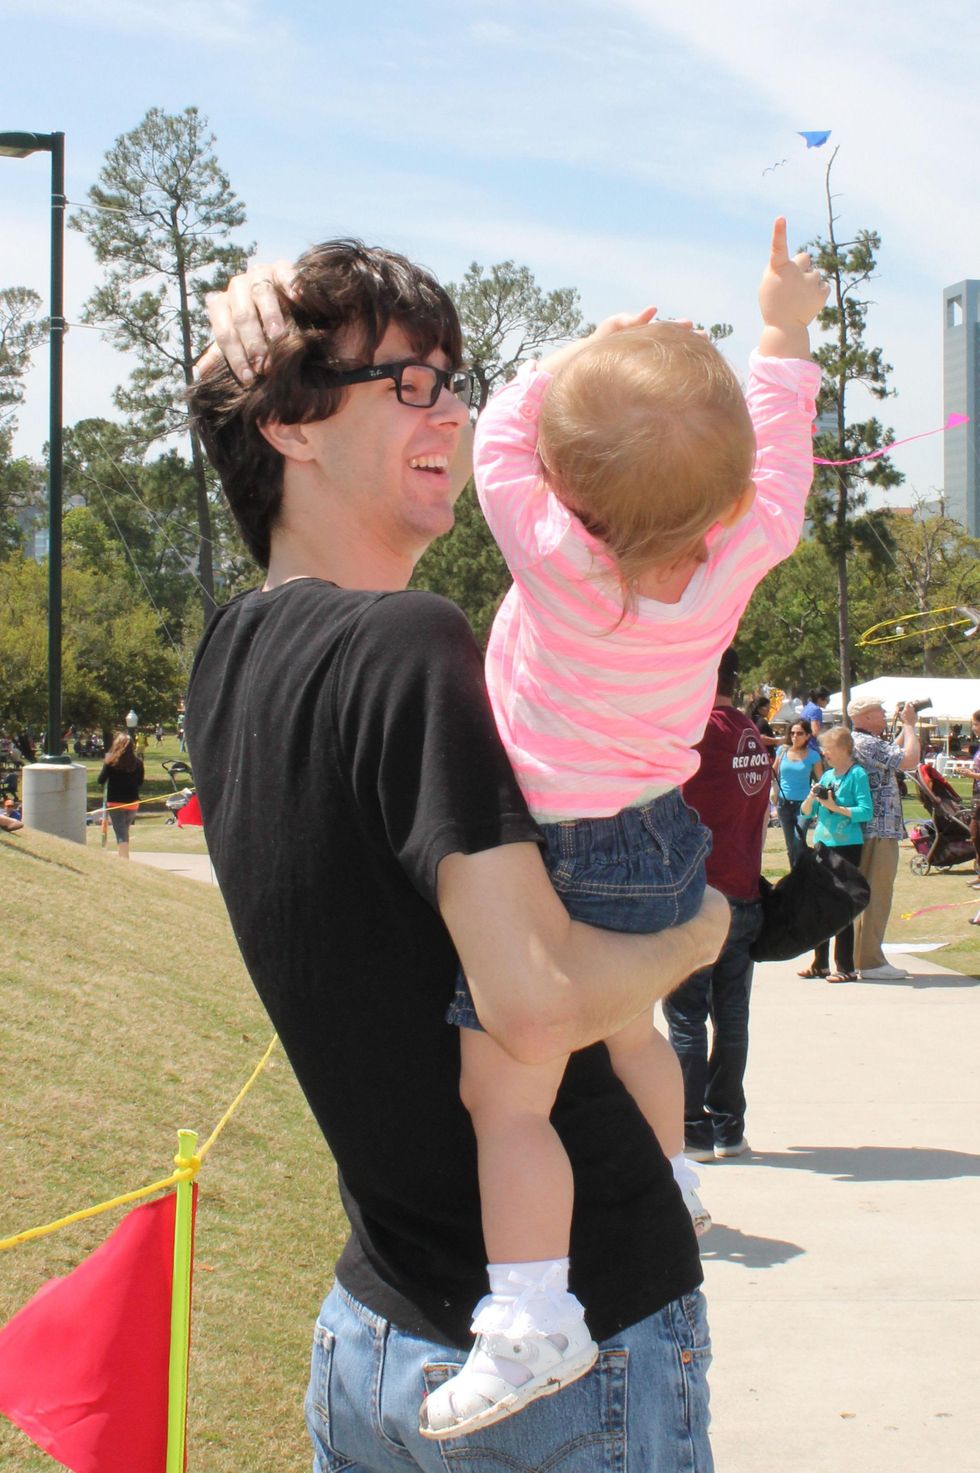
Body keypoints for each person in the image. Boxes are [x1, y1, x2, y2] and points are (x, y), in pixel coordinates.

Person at [190, 239, 730, 1473]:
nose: (453, 410)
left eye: (455, 377)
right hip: (572, 1348)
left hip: (371, 1332)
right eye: (411, 384)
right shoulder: (406, 648)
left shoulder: (228, 657)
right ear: (288, 423)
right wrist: (701, 929)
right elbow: (533, 1009)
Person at [426, 217, 827, 1437]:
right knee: (638, 1030)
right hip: (658, 839)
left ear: (565, 485)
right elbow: (783, 453)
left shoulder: (558, 563)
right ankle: (673, 1179)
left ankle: (530, 1315)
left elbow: (498, 431)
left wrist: (581, 349)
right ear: (726, 489)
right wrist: (780, 329)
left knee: (509, 1095)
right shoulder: (742, 549)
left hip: (552, 844)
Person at [663, 648, 772, 1161]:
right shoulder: (749, 732)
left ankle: (692, 1128)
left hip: (698, 893)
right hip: (744, 890)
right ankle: (729, 1126)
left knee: (686, 1017)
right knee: (732, 1015)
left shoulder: (697, 730)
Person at [849, 695, 920, 980]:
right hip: (880, 829)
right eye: (878, 711)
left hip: (869, 828)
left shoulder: (861, 742)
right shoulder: (867, 743)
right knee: (878, 893)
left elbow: (893, 750)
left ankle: (859, 956)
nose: (883, 714)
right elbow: (910, 760)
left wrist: (904, 727)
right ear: (864, 717)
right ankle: (870, 961)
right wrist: (912, 726)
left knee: (866, 892)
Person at [797, 726, 874, 982]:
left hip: (847, 846)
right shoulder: (828, 776)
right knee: (819, 904)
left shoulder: (857, 774)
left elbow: (865, 811)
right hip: (822, 844)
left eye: (828, 749)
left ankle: (846, 967)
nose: (824, 754)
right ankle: (820, 963)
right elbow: (805, 813)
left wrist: (836, 807)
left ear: (843, 749)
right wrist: (812, 798)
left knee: (842, 905)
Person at [773, 718, 824, 864]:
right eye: (792, 733)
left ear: (808, 735)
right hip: (784, 804)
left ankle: (803, 876)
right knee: (790, 846)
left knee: (798, 841)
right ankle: (795, 878)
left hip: (804, 805)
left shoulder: (813, 755)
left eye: (800, 733)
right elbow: (773, 772)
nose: (795, 736)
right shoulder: (782, 751)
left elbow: (821, 779)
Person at [97, 732, 144, 859]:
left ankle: (124, 858)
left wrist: (106, 764)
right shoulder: (138, 763)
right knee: (124, 830)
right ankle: (122, 855)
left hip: (115, 803)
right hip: (132, 803)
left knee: (120, 832)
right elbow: (140, 782)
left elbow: (100, 780)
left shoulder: (112, 762)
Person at [800, 685, 830, 749]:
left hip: (803, 745)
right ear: (819, 699)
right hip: (812, 747)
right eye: (827, 699)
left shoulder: (807, 707)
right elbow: (815, 732)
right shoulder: (816, 710)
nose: (828, 702)